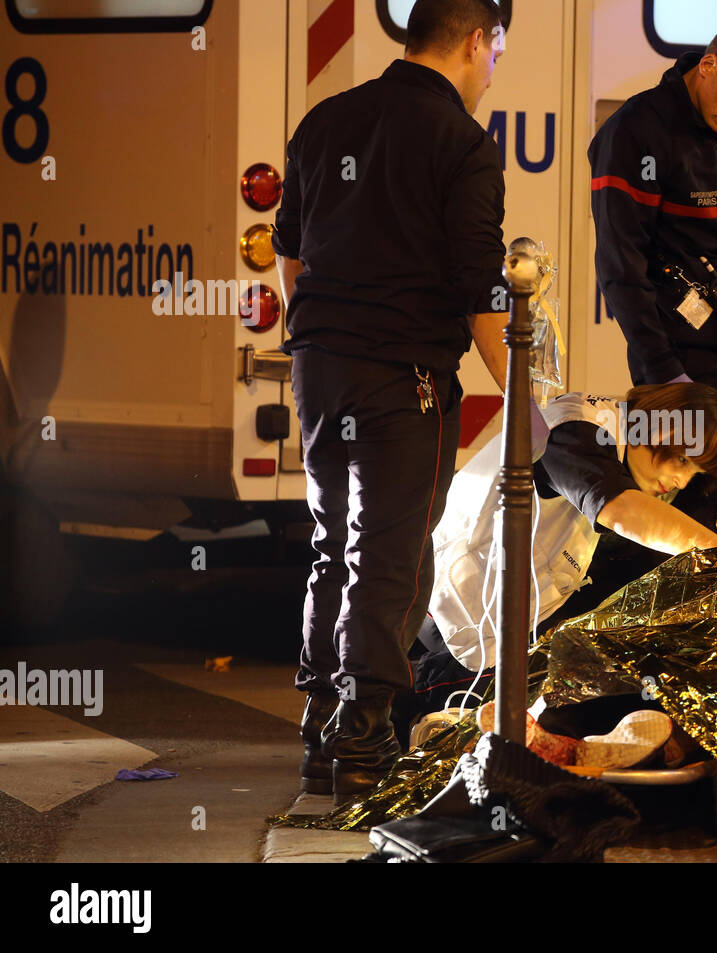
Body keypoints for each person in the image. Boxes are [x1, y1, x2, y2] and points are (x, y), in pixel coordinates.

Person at [272, 0, 512, 805]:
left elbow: (290, 254)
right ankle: (365, 737)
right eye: (496, 51)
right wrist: (529, 401)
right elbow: (484, 292)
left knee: (331, 541)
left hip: (320, 367)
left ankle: (319, 728)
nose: (492, 70)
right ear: (476, 41)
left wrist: (313, 342)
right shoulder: (464, 145)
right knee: (391, 554)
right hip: (402, 374)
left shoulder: (326, 118)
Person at [397, 382, 717, 734]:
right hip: (455, 614)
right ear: (662, 429)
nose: (682, 480)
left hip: (503, 610)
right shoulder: (577, 430)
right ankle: (420, 700)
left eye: (694, 472)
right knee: (580, 701)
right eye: (682, 460)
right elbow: (623, 513)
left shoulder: (620, 450)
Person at [588, 22, 717, 565]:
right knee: (683, 540)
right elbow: (620, 267)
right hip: (676, 369)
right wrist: (665, 378)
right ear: (708, 66)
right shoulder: (634, 132)